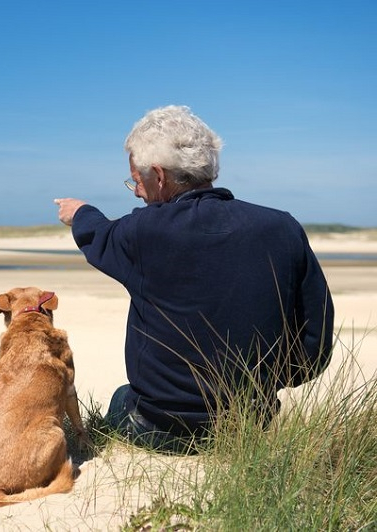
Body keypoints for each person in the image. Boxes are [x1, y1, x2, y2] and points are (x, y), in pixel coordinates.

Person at [54, 105, 334, 454]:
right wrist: (269, 384)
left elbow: (100, 234)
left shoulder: (143, 232)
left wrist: (79, 212)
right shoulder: (282, 227)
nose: (137, 193)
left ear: (159, 175)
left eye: (136, 181)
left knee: (121, 397)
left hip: (160, 427)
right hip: (251, 422)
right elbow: (315, 339)